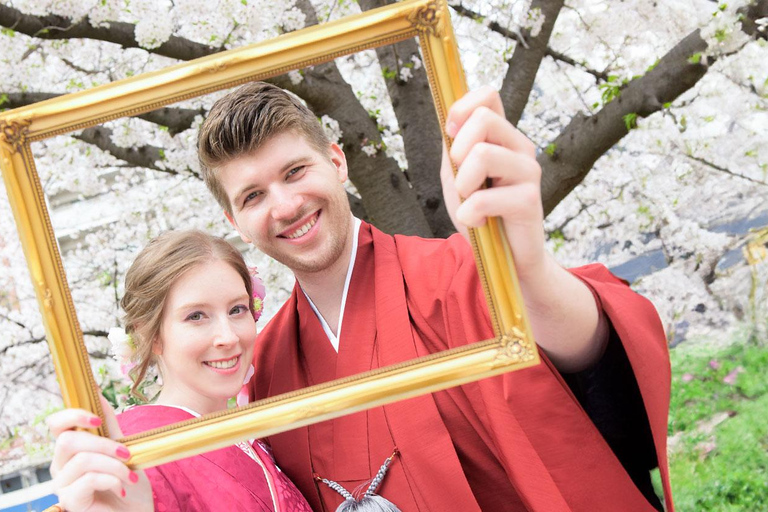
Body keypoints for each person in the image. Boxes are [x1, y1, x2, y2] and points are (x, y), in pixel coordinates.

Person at [197, 82, 674, 512]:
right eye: (253, 196)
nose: (285, 206)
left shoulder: (460, 272)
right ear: (233, 220)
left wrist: (526, 270)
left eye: (296, 171)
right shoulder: (266, 368)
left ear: (337, 162)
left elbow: (599, 380)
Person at [47, 230, 313, 512]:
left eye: (237, 309)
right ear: (153, 336)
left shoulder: (249, 433)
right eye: (196, 316)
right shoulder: (133, 448)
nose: (229, 337)